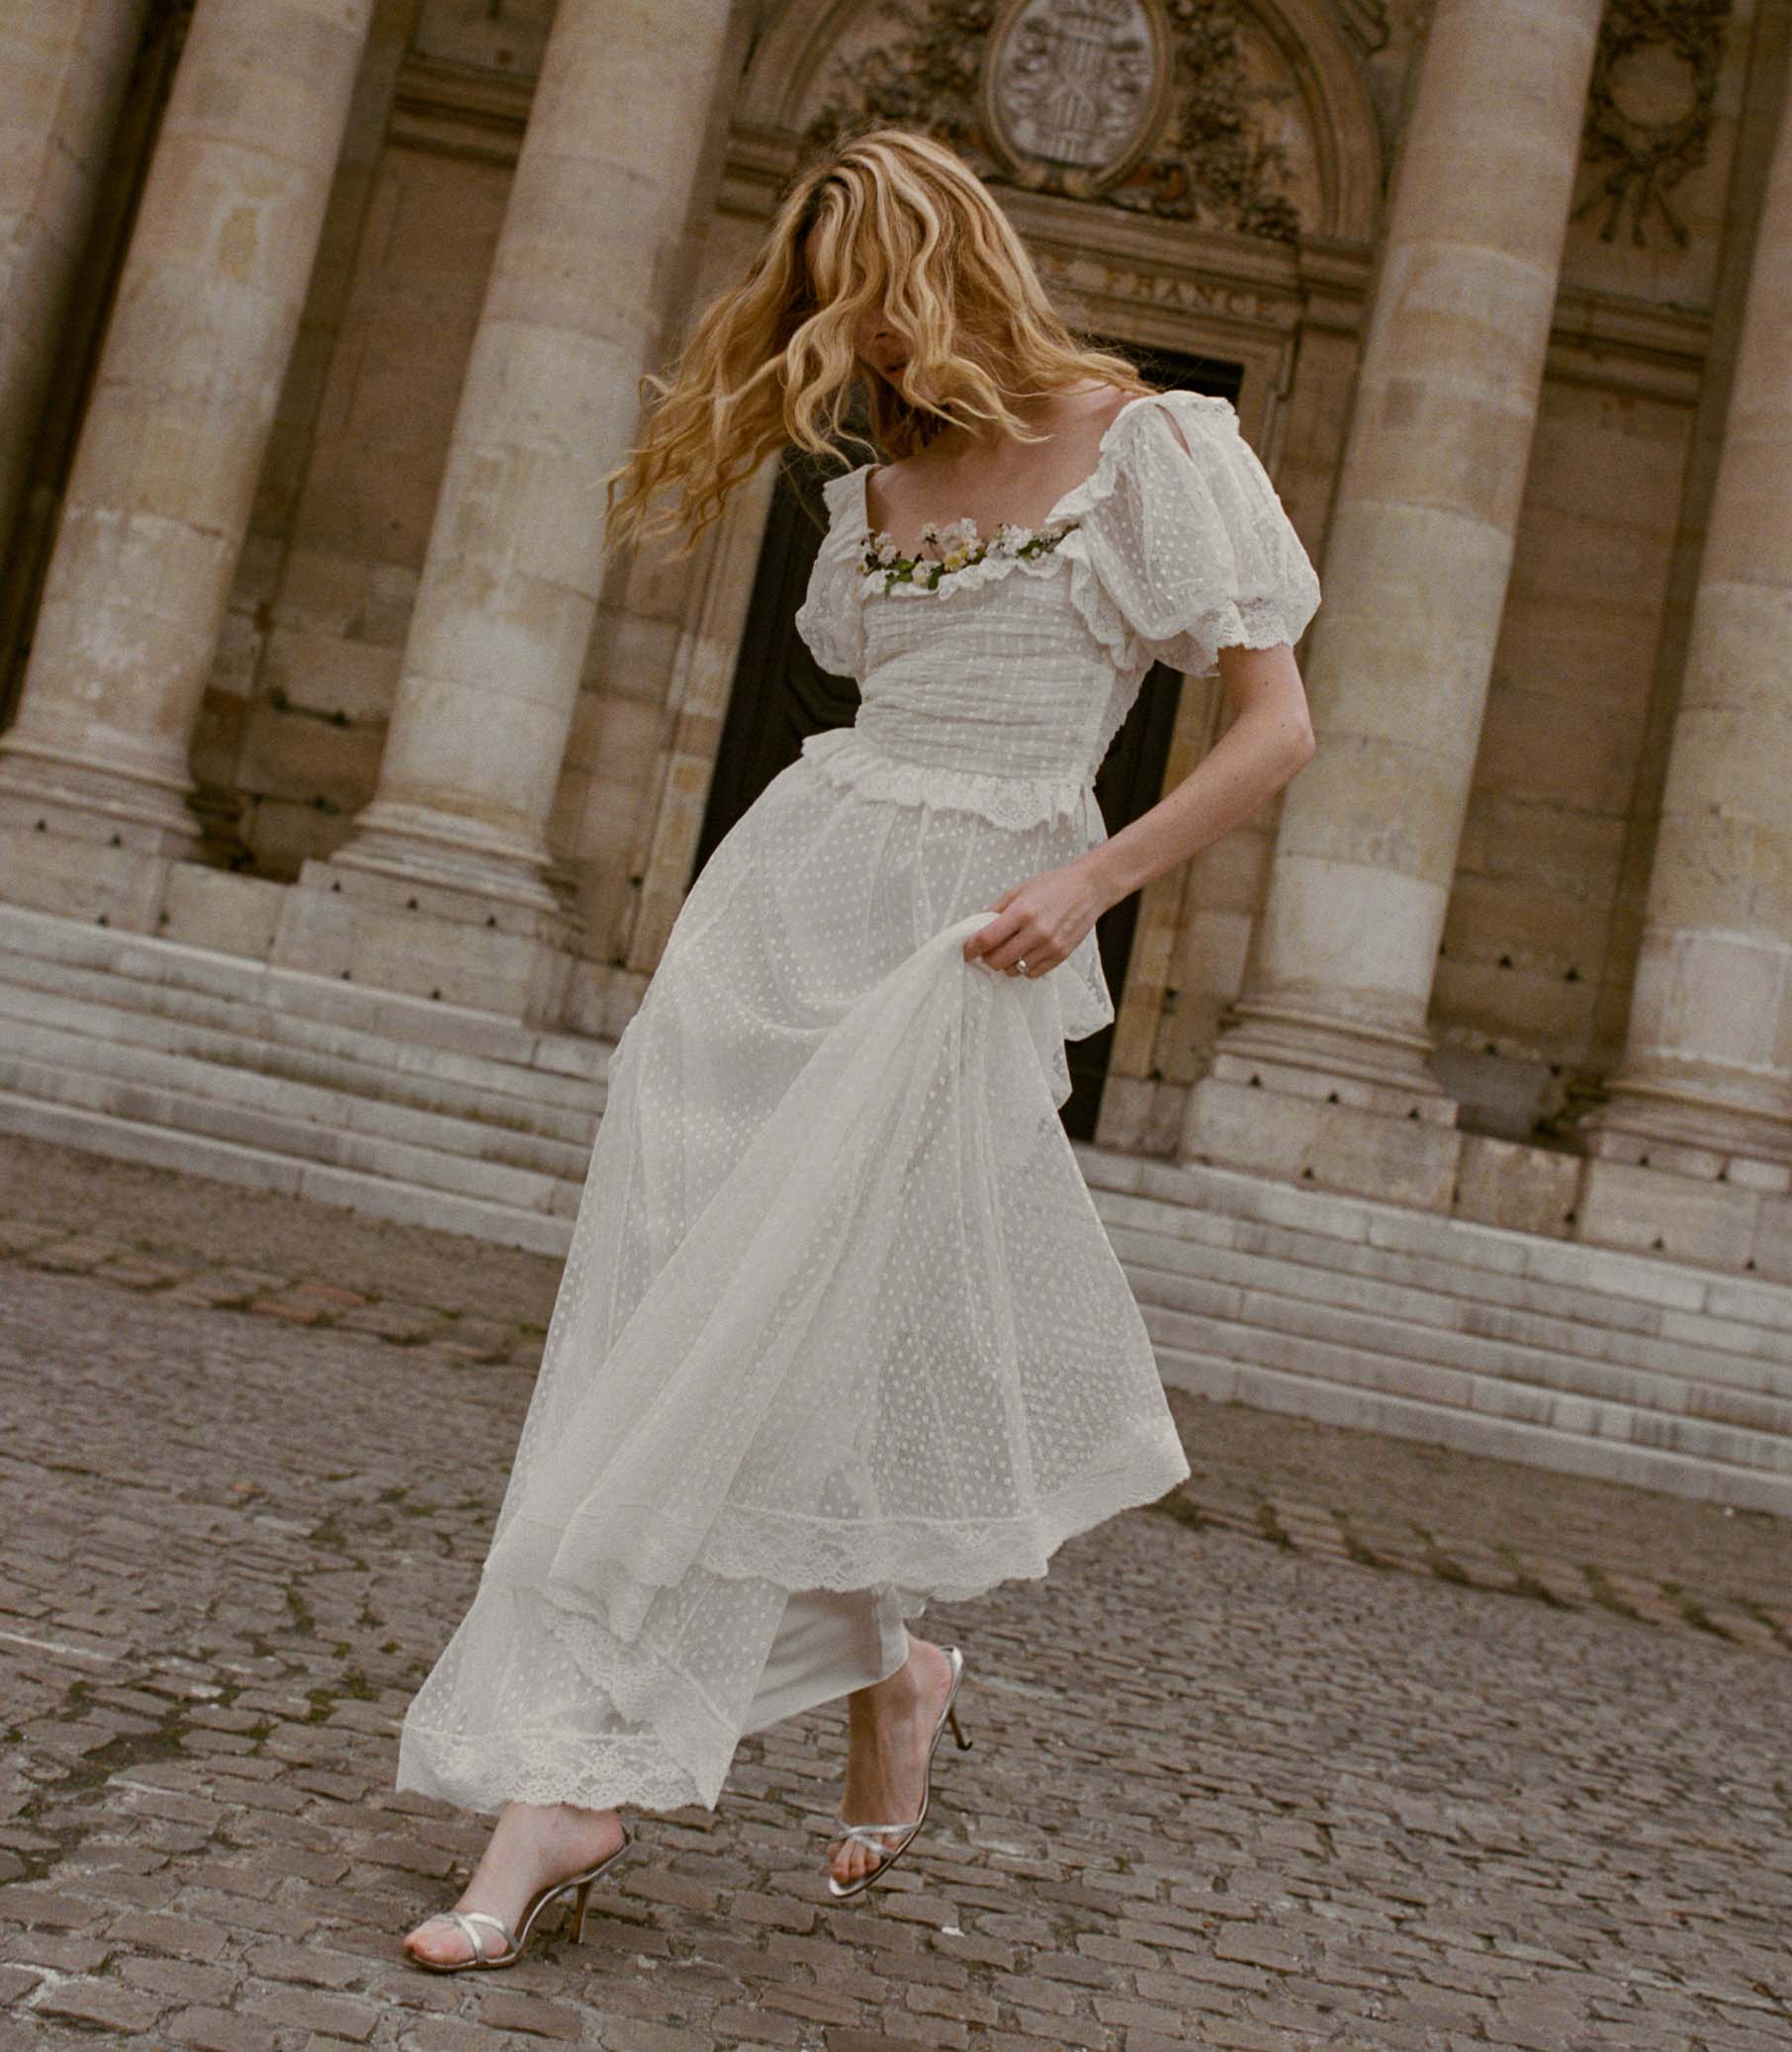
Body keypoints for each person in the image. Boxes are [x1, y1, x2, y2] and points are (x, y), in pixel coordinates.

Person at [396, 121, 1319, 1970]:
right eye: (828, 332)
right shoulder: (869, 502)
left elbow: (1274, 732)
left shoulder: (1161, 452)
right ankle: (884, 1673)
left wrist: (1094, 883)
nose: (859, 366)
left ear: (948, 274)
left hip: (967, 950)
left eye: (869, 318)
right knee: (675, 1324)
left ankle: (575, 1785)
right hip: (772, 924)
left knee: (779, 1344)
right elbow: (865, 730)